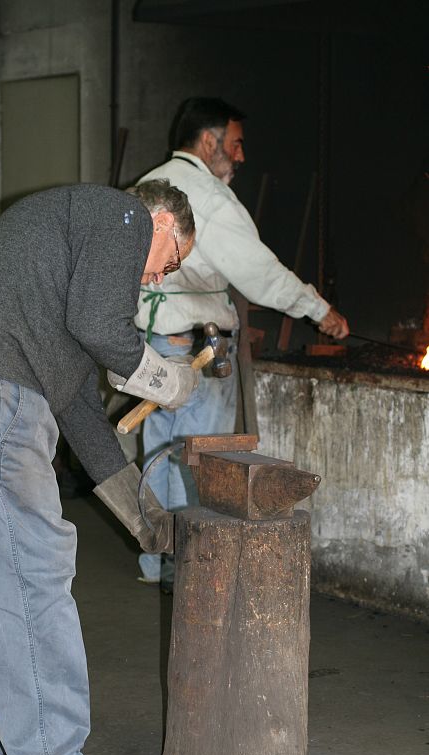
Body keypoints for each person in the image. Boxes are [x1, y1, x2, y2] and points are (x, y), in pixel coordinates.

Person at [0, 180, 196, 755]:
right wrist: (167, 380)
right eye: (169, 263)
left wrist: (144, 520)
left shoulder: (53, 289)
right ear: (161, 221)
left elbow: (83, 418)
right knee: (31, 575)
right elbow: (103, 327)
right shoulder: (120, 214)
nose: (155, 281)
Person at [134, 97, 349, 586]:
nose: (241, 156)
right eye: (236, 144)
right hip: (197, 353)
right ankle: (188, 567)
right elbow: (259, 273)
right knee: (198, 460)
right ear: (209, 142)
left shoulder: (148, 186)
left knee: (158, 456)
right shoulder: (206, 198)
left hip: (152, 345)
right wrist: (320, 310)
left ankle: (154, 559)